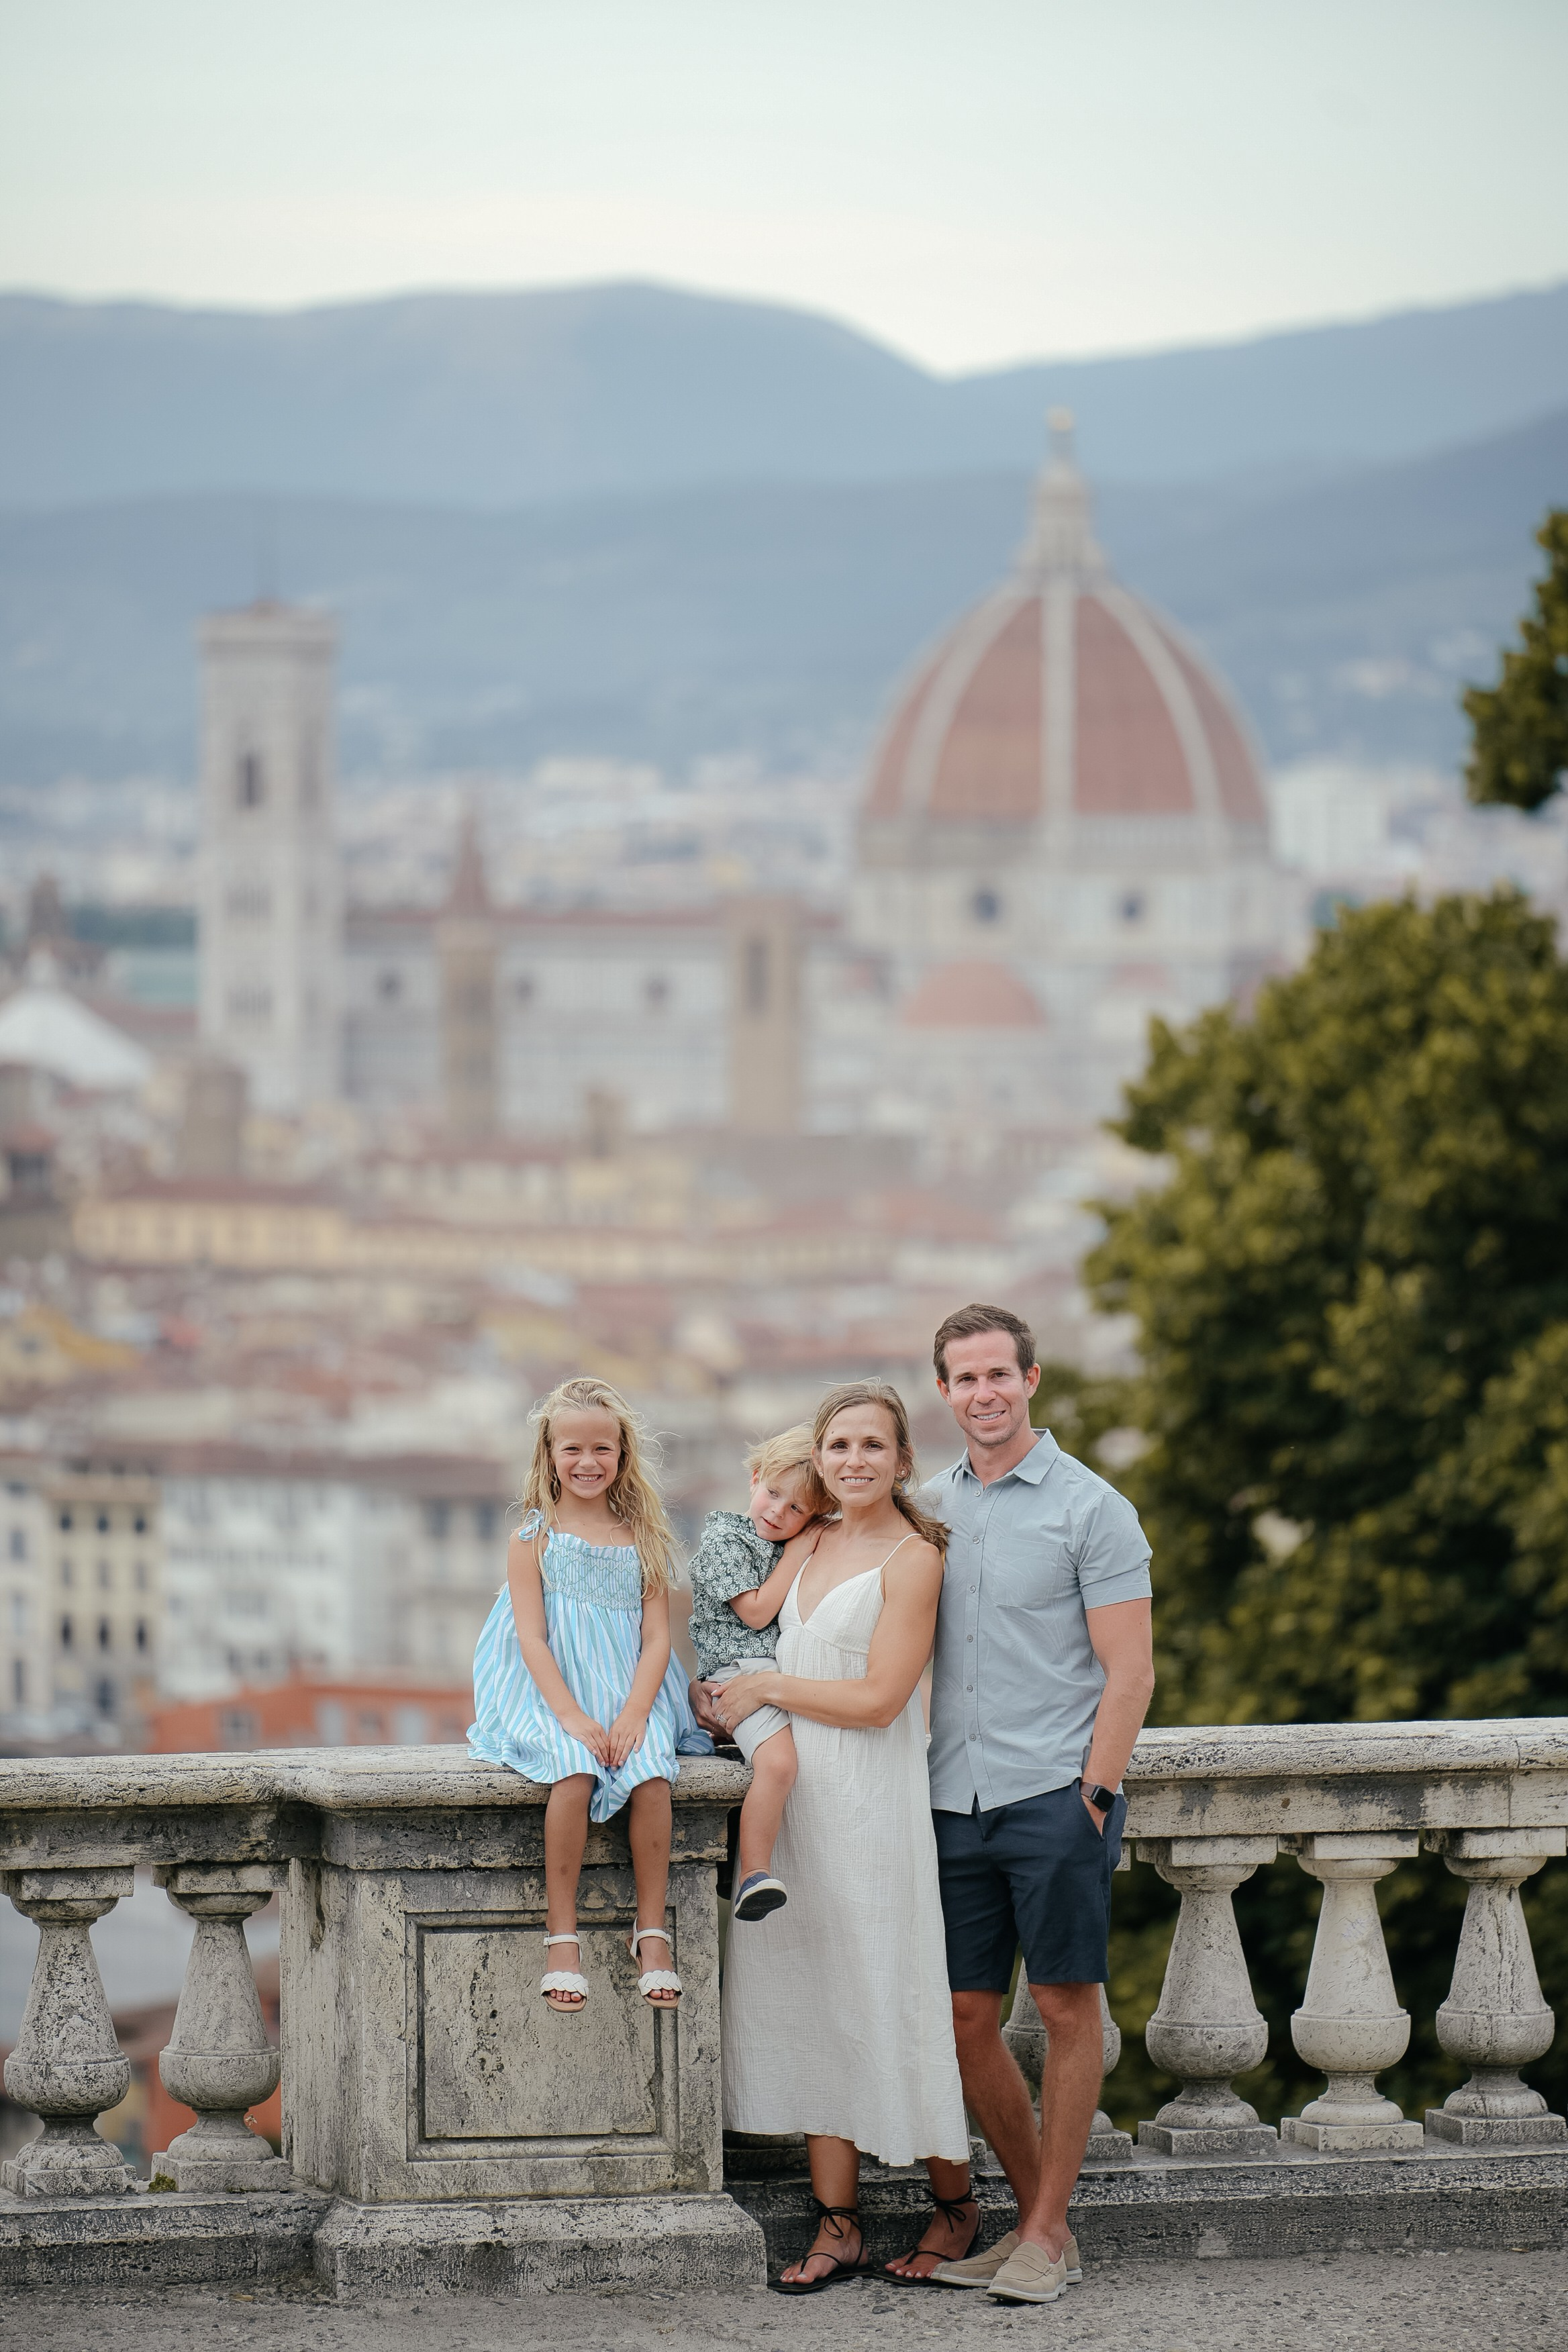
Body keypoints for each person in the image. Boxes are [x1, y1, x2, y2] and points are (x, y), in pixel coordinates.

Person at [890, 1303, 1155, 2306]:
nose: (983, 1393)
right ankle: (1048, 2226)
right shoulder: (924, 1509)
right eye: (964, 1378)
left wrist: (1093, 1796)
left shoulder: (1094, 1508)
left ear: (1031, 1380)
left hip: (1054, 1794)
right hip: (950, 1799)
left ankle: (1040, 2234)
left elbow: (1130, 1673)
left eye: (998, 1373)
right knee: (965, 2017)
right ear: (944, 1392)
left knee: (1063, 2007)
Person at [707, 1381, 971, 2294]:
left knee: (888, 1991)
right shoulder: (809, 1539)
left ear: (901, 1461)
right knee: (813, 1997)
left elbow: (881, 1699)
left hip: (870, 1803)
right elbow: (746, 1633)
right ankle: (839, 2227)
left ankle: (955, 2206)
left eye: (871, 1445)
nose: (854, 1460)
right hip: (797, 1805)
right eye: (838, 1446)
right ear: (818, 1460)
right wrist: (724, 1698)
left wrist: (767, 1689)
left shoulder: (915, 1557)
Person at [467, 1375, 712, 2015]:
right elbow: (531, 1638)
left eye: (602, 1448)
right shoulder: (533, 1538)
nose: (587, 1462)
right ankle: (562, 1937)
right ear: (549, 1455)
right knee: (573, 1773)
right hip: (551, 1690)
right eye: (572, 1449)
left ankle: (651, 1931)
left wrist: (635, 1714)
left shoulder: (645, 1538)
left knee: (652, 1777)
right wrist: (572, 1717)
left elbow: (657, 1639)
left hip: (632, 1688)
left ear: (623, 1454)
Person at [684, 1426, 830, 1922]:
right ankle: (754, 1872)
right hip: (739, 1671)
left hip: (764, 1671)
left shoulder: (775, 1544)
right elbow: (755, 1613)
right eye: (773, 1493)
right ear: (755, 1478)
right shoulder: (727, 1540)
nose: (778, 1512)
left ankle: (738, 1857)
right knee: (779, 1765)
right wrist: (799, 1551)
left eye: (797, 1509)